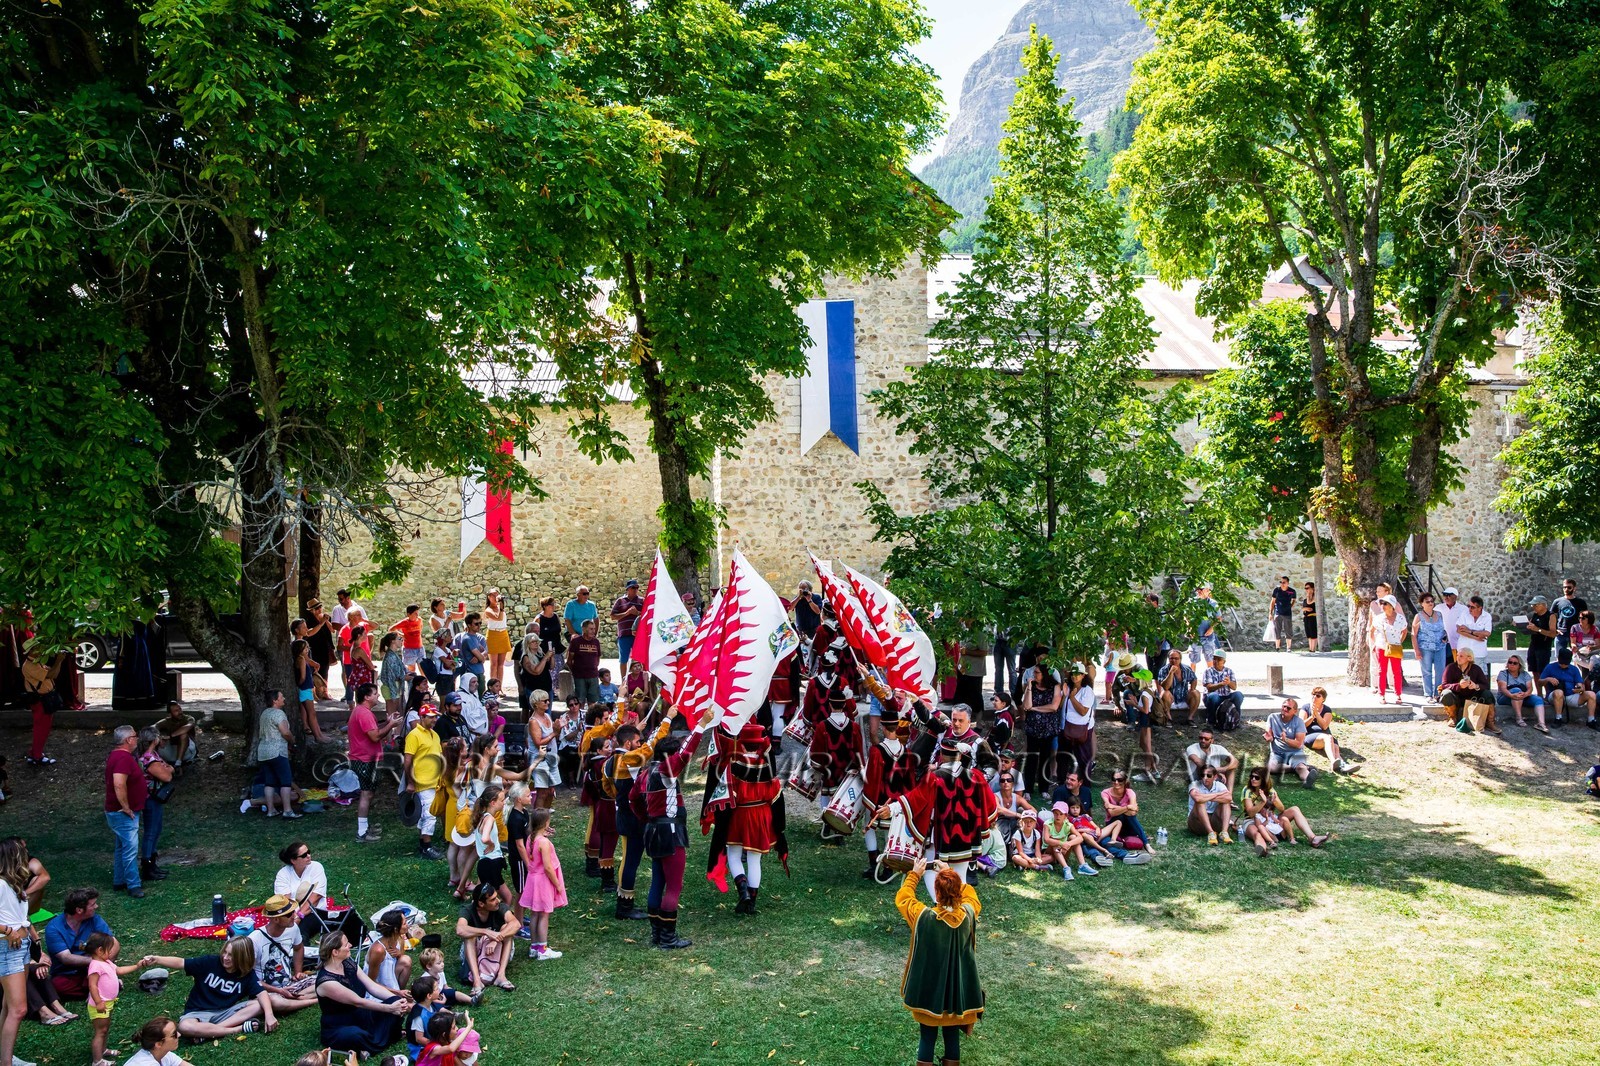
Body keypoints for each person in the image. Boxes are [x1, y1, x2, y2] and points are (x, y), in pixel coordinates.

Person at [895, 857, 983, 1066]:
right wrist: (950, 872)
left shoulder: (923, 916)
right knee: (951, 1035)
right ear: (957, 891)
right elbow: (971, 895)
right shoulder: (969, 913)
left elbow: (903, 898)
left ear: (936, 893)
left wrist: (914, 875)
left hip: (929, 991)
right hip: (956, 993)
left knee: (927, 1037)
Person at [888, 735, 999, 894]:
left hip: (941, 835)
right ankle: (958, 911)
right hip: (967, 837)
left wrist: (892, 808)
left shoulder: (935, 777)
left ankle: (939, 908)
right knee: (960, 875)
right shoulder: (975, 776)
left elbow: (917, 798)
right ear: (960, 755)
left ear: (941, 756)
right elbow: (990, 802)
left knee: (930, 871)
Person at [638, 710, 709, 949]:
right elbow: (687, 754)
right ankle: (667, 938)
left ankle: (657, 934)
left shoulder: (645, 773)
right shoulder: (666, 771)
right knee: (674, 886)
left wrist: (646, 819)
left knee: (657, 881)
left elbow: (631, 799)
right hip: (669, 832)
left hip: (653, 831)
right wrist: (701, 725)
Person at [143, 939, 277, 1040]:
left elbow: (261, 993)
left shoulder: (246, 974)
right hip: (197, 1013)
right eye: (224, 952)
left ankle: (209, 1032)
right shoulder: (210, 962)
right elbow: (181, 962)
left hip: (225, 1013)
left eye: (231, 955)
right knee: (184, 1027)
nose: (225, 957)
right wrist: (157, 959)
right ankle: (237, 1029)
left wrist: (269, 1015)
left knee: (259, 1005)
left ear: (241, 957)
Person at [311, 931, 407, 1054]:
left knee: (395, 1001)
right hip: (340, 1025)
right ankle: (380, 1040)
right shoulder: (327, 982)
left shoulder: (348, 963)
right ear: (335, 952)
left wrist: (396, 1000)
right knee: (355, 1035)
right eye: (346, 945)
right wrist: (390, 1008)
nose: (350, 945)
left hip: (361, 1016)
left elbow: (371, 986)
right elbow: (358, 1002)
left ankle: (379, 1038)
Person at [0, 840, 37, 1066]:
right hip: (7, 948)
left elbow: (21, 916)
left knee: (8, 1005)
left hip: (21, 947)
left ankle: (5, 1057)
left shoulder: (14, 885)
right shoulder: (0, 884)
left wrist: (34, 937)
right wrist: (7, 931)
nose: (27, 856)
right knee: (19, 1009)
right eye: (22, 853)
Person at [349, 683, 401, 843]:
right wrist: (391, 725)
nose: (378, 696)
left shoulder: (362, 712)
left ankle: (364, 827)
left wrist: (386, 723)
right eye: (375, 693)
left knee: (368, 793)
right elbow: (374, 736)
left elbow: (373, 731)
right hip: (365, 759)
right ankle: (362, 832)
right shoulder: (364, 713)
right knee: (366, 794)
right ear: (366, 697)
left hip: (364, 758)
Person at [247, 895, 315, 1015]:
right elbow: (249, 978)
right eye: (289, 914)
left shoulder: (293, 928)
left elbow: (298, 948)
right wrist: (279, 991)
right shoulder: (254, 940)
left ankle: (294, 999)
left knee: (325, 980)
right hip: (265, 991)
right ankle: (310, 1000)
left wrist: (298, 972)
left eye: (293, 912)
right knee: (274, 1001)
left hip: (289, 985)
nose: (294, 916)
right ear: (276, 919)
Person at [44, 888, 115, 1001]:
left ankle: (99, 985)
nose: (96, 906)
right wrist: (96, 961)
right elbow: (66, 958)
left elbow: (112, 942)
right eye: (93, 904)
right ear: (79, 910)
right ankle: (102, 987)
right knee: (57, 986)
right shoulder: (54, 928)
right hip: (68, 972)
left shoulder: (95, 920)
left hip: (93, 969)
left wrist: (99, 965)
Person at [85, 931, 143, 1066]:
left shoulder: (106, 962)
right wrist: (99, 1002)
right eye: (109, 950)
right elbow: (92, 985)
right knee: (100, 1031)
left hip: (108, 1003)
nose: (111, 952)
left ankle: (103, 1050)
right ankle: (97, 1061)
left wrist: (137, 966)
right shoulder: (95, 965)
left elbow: (119, 970)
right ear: (100, 950)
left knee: (105, 1028)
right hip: (100, 1004)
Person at [1241, 767, 1329, 854]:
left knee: (1295, 809)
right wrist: (1263, 802)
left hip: (1271, 820)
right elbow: (1250, 813)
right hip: (1251, 821)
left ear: (1264, 779)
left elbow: (1281, 809)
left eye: (1256, 777)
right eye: (1251, 776)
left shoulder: (1269, 789)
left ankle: (1313, 838)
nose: (1253, 779)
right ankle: (1262, 850)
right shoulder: (1247, 790)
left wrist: (1274, 800)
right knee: (1257, 833)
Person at [104, 725, 148, 898]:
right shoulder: (123, 758)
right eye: (135, 736)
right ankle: (133, 885)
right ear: (128, 739)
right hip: (122, 812)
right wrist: (126, 807)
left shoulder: (117, 756)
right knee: (130, 848)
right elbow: (119, 783)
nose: (137, 739)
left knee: (121, 847)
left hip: (117, 810)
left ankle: (119, 880)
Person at [518, 808, 567, 961]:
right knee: (544, 914)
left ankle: (534, 946)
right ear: (546, 822)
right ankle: (543, 948)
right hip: (543, 882)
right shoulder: (544, 842)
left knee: (534, 913)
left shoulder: (531, 838)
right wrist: (558, 884)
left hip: (533, 880)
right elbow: (547, 867)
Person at [454, 884, 519, 995]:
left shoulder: (500, 907)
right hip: (474, 951)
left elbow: (516, 924)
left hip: (497, 950)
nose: (498, 901)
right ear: (481, 903)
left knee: (506, 928)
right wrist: (486, 931)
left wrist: (496, 939)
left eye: (497, 897)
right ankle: (477, 981)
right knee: (469, 936)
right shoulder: (468, 910)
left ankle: (501, 976)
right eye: (493, 899)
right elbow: (460, 930)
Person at [133, 727, 176, 885]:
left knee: (156, 829)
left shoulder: (153, 755)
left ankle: (152, 862)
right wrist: (168, 769)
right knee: (151, 831)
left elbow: (168, 768)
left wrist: (168, 768)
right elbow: (167, 775)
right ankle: (147, 865)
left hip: (154, 797)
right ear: (153, 740)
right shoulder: (149, 758)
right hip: (150, 799)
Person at [404, 704, 446, 860]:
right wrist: (410, 782)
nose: (434, 719)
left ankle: (423, 843)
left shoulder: (435, 734)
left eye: (435, 716)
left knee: (425, 814)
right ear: (422, 717)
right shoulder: (414, 735)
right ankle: (427, 847)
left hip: (435, 782)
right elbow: (407, 760)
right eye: (431, 717)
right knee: (430, 814)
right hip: (422, 782)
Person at [273, 842, 332, 944]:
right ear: (293, 860)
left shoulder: (316, 867)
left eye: (308, 852)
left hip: (315, 912)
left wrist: (299, 916)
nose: (308, 856)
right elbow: (285, 901)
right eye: (304, 855)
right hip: (291, 914)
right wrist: (292, 917)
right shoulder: (283, 874)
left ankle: (303, 957)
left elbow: (316, 897)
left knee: (300, 931)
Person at [1019, 658, 1061, 797]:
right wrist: (1029, 687)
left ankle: (1044, 788)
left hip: (1048, 729)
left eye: (1037, 673)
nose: (1034, 675)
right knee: (1031, 759)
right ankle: (1028, 789)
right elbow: (1026, 706)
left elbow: (1054, 707)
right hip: (1033, 729)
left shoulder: (1055, 686)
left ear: (1044, 674)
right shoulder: (1030, 686)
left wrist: (1035, 708)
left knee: (1045, 759)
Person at [254, 690, 298, 819]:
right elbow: (285, 732)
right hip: (277, 751)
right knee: (285, 781)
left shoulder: (265, 713)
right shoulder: (279, 714)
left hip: (263, 752)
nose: (283, 698)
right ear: (275, 700)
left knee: (269, 782)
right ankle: (287, 810)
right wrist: (292, 740)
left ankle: (271, 810)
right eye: (281, 696)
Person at [472, 785, 511, 908]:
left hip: (484, 863)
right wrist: (491, 843)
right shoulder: (489, 819)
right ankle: (502, 921)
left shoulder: (481, 817)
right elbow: (485, 838)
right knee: (507, 898)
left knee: (481, 896)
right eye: (502, 800)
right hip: (492, 864)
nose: (504, 802)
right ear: (493, 803)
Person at [1441, 648, 1496, 732]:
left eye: (1461, 656)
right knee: (1446, 693)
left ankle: (1490, 722)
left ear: (1469, 658)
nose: (1458, 658)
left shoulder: (1476, 668)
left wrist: (1476, 686)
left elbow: (1485, 685)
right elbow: (1444, 685)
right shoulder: (1451, 667)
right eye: (1457, 655)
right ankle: (1453, 718)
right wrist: (1459, 686)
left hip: (1473, 698)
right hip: (1456, 697)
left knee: (1487, 694)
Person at [1302, 688, 1355, 773]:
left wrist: (1317, 714)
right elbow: (1301, 725)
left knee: (1336, 749)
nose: (1314, 697)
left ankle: (1343, 766)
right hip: (1311, 737)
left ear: (1323, 699)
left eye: (1318, 696)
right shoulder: (1306, 707)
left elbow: (1324, 726)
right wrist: (1312, 716)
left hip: (1326, 736)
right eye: (1313, 694)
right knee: (1328, 738)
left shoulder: (1327, 710)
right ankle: (1333, 762)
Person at [1541, 648, 1596, 727]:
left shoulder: (1574, 669)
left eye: (1565, 663)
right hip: (1555, 695)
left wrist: (1579, 688)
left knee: (1591, 694)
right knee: (1559, 692)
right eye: (1562, 663)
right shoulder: (1550, 667)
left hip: (1571, 694)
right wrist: (1547, 679)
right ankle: (1558, 718)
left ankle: (1591, 720)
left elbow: (1580, 684)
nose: (1563, 665)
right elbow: (1540, 683)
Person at [1099, 771, 1152, 853]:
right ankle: (1144, 842)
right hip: (1113, 825)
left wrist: (1113, 807)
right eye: (1114, 779)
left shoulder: (1130, 792)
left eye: (1119, 780)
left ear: (1124, 781)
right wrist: (1128, 807)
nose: (1116, 782)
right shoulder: (1105, 793)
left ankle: (1146, 844)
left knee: (1129, 816)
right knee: (1120, 816)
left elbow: (1133, 812)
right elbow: (1112, 813)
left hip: (1128, 825)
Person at [1040, 801, 1095, 879]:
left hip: (1063, 850)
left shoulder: (1068, 825)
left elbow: (1080, 837)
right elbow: (1046, 840)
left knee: (1073, 837)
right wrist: (1062, 844)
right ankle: (1066, 868)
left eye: (1061, 814)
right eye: (1056, 813)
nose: (1058, 816)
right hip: (1049, 852)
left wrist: (1069, 844)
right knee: (1055, 843)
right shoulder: (1048, 824)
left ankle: (1083, 865)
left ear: (1066, 815)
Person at [1266, 697, 1314, 785]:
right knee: (1271, 768)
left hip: (1295, 752)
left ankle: (1308, 780)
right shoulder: (1272, 717)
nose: (1285, 709)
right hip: (1277, 753)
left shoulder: (1299, 722)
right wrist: (1268, 738)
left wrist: (1286, 739)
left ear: (1295, 711)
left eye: (1288, 708)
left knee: (1300, 767)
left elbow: (1298, 744)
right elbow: (1270, 735)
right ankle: (1294, 768)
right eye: (1283, 706)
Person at [366, 909, 414, 996]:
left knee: (406, 959)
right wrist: (397, 993)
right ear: (395, 929)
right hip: (376, 988)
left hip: (391, 980)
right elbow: (370, 981)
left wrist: (399, 954)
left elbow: (401, 962)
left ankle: (400, 992)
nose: (407, 925)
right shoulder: (378, 950)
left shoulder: (400, 940)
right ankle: (398, 994)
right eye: (404, 923)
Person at [1412, 593, 1449, 700]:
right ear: (1422, 603)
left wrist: (1445, 637)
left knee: (1440, 671)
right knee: (1427, 671)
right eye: (1427, 601)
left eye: (1432, 601)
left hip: (1440, 647)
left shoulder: (1439, 614)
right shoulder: (1418, 616)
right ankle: (1428, 694)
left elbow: (1443, 629)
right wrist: (1416, 650)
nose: (1430, 603)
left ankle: (1437, 693)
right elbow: (1414, 634)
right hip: (1425, 648)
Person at [1496, 655, 1548, 732]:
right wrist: (1511, 695)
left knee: (1538, 699)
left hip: (1523, 696)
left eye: (1515, 663)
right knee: (1516, 690)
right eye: (1510, 662)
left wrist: (1526, 694)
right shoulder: (1503, 673)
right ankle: (1519, 718)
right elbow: (1503, 688)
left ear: (1519, 665)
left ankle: (1541, 723)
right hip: (1505, 696)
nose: (1512, 664)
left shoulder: (1525, 674)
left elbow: (1530, 688)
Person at [1187, 766, 1235, 845]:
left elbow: (1229, 798)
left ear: (1215, 777)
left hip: (1214, 820)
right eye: (1203, 775)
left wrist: (1206, 797)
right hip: (1197, 822)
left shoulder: (1219, 785)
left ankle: (1224, 832)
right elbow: (1198, 799)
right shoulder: (1194, 784)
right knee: (1200, 803)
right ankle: (1211, 833)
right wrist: (1217, 794)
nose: (1205, 778)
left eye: (1208, 775)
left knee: (1226, 803)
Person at [1375, 595, 1407, 704]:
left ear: (1392, 606)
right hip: (1381, 646)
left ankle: (1398, 695)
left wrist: (1399, 642)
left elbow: (1404, 631)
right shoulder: (1379, 618)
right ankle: (1381, 695)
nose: (1382, 606)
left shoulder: (1400, 618)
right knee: (1381, 671)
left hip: (1395, 646)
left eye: (1385, 603)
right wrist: (1375, 643)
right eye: (1382, 603)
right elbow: (1372, 630)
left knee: (1396, 671)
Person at [1523, 596, 1558, 695]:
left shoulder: (1551, 616)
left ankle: (1547, 694)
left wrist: (1538, 629)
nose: (1533, 607)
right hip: (1533, 645)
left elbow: (1552, 633)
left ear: (1543, 605)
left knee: (1543, 671)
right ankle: (1539, 694)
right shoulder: (1535, 615)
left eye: (1535, 605)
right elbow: (1531, 628)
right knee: (1534, 670)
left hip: (1544, 647)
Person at [125, 1016, 193, 1066]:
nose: (179, 1035)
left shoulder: (164, 1055)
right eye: (174, 1034)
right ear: (159, 1044)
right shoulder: (146, 1064)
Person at [1201, 651, 1243, 731]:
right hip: (1212, 698)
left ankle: (1236, 720)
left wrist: (1228, 682)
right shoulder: (1208, 671)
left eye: (1218, 659)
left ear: (1224, 661)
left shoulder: (1229, 671)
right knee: (1214, 696)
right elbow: (1209, 688)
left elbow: (1234, 687)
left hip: (1226, 696)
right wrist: (1222, 684)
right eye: (1214, 659)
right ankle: (1211, 722)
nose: (1215, 661)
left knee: (1238, 695)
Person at [1156, 648, 1197, 729]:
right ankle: (1168, 718)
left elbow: (1194, 679)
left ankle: (1190, 718)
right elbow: (1166, 687)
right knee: (1165, 693)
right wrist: (1171, 673)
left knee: (1196, 692)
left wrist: (1192, 689)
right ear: (1168, 659)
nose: (1174, 660)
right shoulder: (1163, 670)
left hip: (1184, 696)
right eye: (1171, 658)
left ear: (1180, 659)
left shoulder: (1186, 669)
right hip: (1171, 698)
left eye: (1176, 658)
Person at [608, 579, 644, 669]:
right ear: (627, 589)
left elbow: (647, 616)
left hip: (638, 635)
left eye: (637, 587)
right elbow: (612, 616)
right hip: (624, 635)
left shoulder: (642, 601)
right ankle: (623, 680)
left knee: (640, 658)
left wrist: (638, 613)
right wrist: (626, 613)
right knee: (623, 660)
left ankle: (640, 679)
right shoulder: (620, 601)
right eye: (633, 587)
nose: (635, 589)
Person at [567, 620, 603, 706]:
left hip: (593, 676)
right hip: (580, 676)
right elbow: (569, 660)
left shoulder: (596, 642)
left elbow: (598, 658)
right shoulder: (576, 642)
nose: (593, 631)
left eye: (594, 629)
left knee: (593, 702)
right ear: (583, 629)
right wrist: (575, 671)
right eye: (591, 629)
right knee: (580, 701)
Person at [155, 701, 199, 769]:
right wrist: (159, 738)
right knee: (155, 738)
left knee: (183, 734)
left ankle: (178, 764)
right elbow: (154, 727)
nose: (180, 712)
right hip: (172, 751)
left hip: (188, 751)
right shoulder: (167, 721)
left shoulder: (188, 718)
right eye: (176, 711)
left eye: (180, 709)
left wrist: (170, 736)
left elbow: (187, 727)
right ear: (170, 714)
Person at [481, 590, 511, 689]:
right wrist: (501, 608)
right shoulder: (488, 610)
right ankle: (492, 687)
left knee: (501, 665)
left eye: (497, 594)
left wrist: (501, 605)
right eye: (493, 595)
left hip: (503, 633)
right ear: (489, 597)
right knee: (494, 664)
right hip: (493, 634)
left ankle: (499, 687)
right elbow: (498, 618)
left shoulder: (499, 607)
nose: (496, 597)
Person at [451, 615, 488, 690]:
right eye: (476, 624)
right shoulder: (468, 639)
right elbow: (482, 658)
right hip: (471, 673)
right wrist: (480, 657)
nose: (479, 626)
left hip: (478, 671)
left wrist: (479, 657)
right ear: (469, 625)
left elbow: (485, 652)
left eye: (480, 623)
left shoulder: (477, 637)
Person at [1452, 595, 1493, 661]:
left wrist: (1469, 631)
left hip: (1479, 653)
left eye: (1472, 607)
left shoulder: (1487, 616)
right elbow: (1459, 630)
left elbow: (1487, 633)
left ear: (1480, 608)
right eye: (1469, 606)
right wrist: (1476, 637)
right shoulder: (1465, 614)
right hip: (1463, 652)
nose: (1469, 609)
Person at [1553, 578, 1587, 653]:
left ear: (1574, 588)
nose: (1566, 589)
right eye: (1564, 587)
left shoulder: (1580, 602)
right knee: (1560, 657)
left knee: (1578, 656)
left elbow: (1585, 617)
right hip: (1561, 631)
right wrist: (1555, 629)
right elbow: (1551, 616)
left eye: (1569, 587)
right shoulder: (1557, 601)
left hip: (1575, 632)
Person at [1192, 582, 1221, 663]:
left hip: (1208, 636)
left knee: (1210, 659)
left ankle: (1210, 675)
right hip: (1195, 636)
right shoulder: (1192, 602)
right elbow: (1186, 616)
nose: (1199, 591)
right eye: (1197, 589)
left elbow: (1218, 618)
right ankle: (1192, 676)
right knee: (1193, 660)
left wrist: (1212, 628)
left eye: (1201, 589)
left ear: (1207, 590)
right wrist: (1190, 628)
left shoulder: (1213, 603)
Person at [1269, 575, 1296, 651]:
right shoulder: (1276, 590)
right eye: (1281, 582)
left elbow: (1294, 599)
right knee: (1277, 630)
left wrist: (1290, 606)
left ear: (1287, 583)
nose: (1282, 584)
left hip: (1287, 613)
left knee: (1288, 630)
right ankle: (1277, 647)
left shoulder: (1292, 591)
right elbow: (1273, 601)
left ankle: (1288, 647)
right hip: (1278, 612)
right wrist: (1270, 613)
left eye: (1284, 582)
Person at [1301, 581, 1320, 652]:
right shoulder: (1305, 600)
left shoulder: (1316, 598)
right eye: (1305, 588)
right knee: (1308, 634)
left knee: (1313, 633)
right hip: (1307, 617)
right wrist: (1306, 608)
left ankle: (1313, 649)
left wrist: (1309, 595)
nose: (1306, 590)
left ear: (1313, 588)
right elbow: (1303, 608)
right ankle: (1310, 648)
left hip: (1313, 617)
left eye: (1308, 588)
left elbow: (1309, 602)